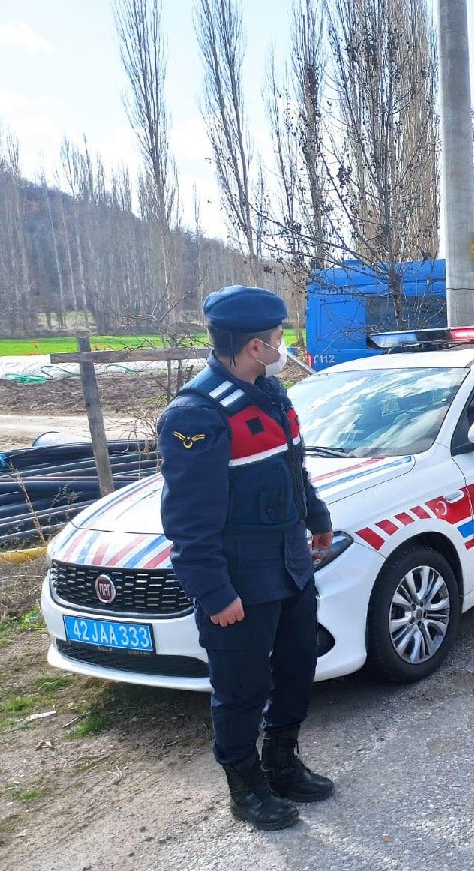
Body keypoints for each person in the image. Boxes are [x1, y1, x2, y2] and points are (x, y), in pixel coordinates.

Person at [158, 286, 335, 831]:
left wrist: (317, 517)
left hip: (290, 565)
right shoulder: (197, 415)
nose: (285, 346)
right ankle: (246, 785)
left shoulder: (273, 394)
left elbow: (292, 468)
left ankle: (282, 763)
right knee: (241, 690)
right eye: (279, 337)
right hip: (239, 579)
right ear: (256, 345)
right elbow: (188, 521)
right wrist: (213, 593)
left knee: (296, 669)